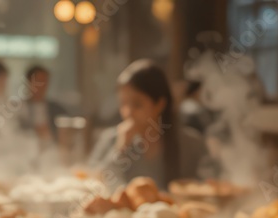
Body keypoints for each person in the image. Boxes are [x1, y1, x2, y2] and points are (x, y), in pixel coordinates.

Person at [88, 59, 209, 189]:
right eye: (123, 103)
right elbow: (95, 184)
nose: (128, 112)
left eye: (137, 104)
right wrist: (120, 149)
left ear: (160, 104)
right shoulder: (111, 140)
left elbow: (209, 187)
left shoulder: (191, 144)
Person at [19, 65, 66, 142]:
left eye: (45, 81)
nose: (42, 86)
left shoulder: (57, 109)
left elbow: (66, 133)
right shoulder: (19, 109)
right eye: (39, 81)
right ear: (28, 82)